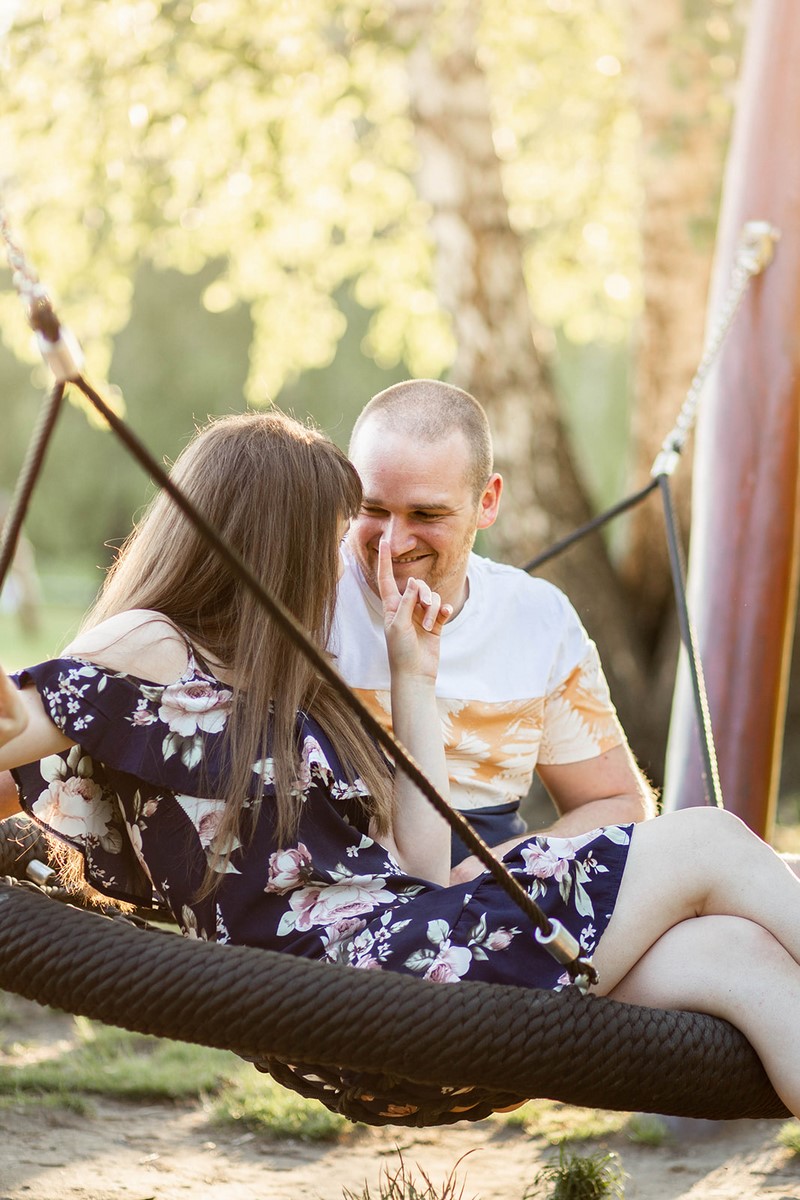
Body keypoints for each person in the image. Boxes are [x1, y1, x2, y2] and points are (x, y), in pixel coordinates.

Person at [3, 409, 800, 1119]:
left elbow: (423, 865)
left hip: (413, 971)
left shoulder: (280, 682)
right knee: (707, 841)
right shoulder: (152, 643)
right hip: (355, 989)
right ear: (266, 544)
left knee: (740, 958)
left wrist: (413, 672)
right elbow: (25, 714)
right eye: (335, 538)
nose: (353, 561)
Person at [332, 379, 656, 873]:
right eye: (372, 509)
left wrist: (498, 866)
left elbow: (620, 804)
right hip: (355, 890)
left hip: (506, 891)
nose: (392, 544)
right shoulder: (308, 595)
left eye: (427, 514)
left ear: (487, 502)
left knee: (729, 935)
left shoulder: (537, 617)